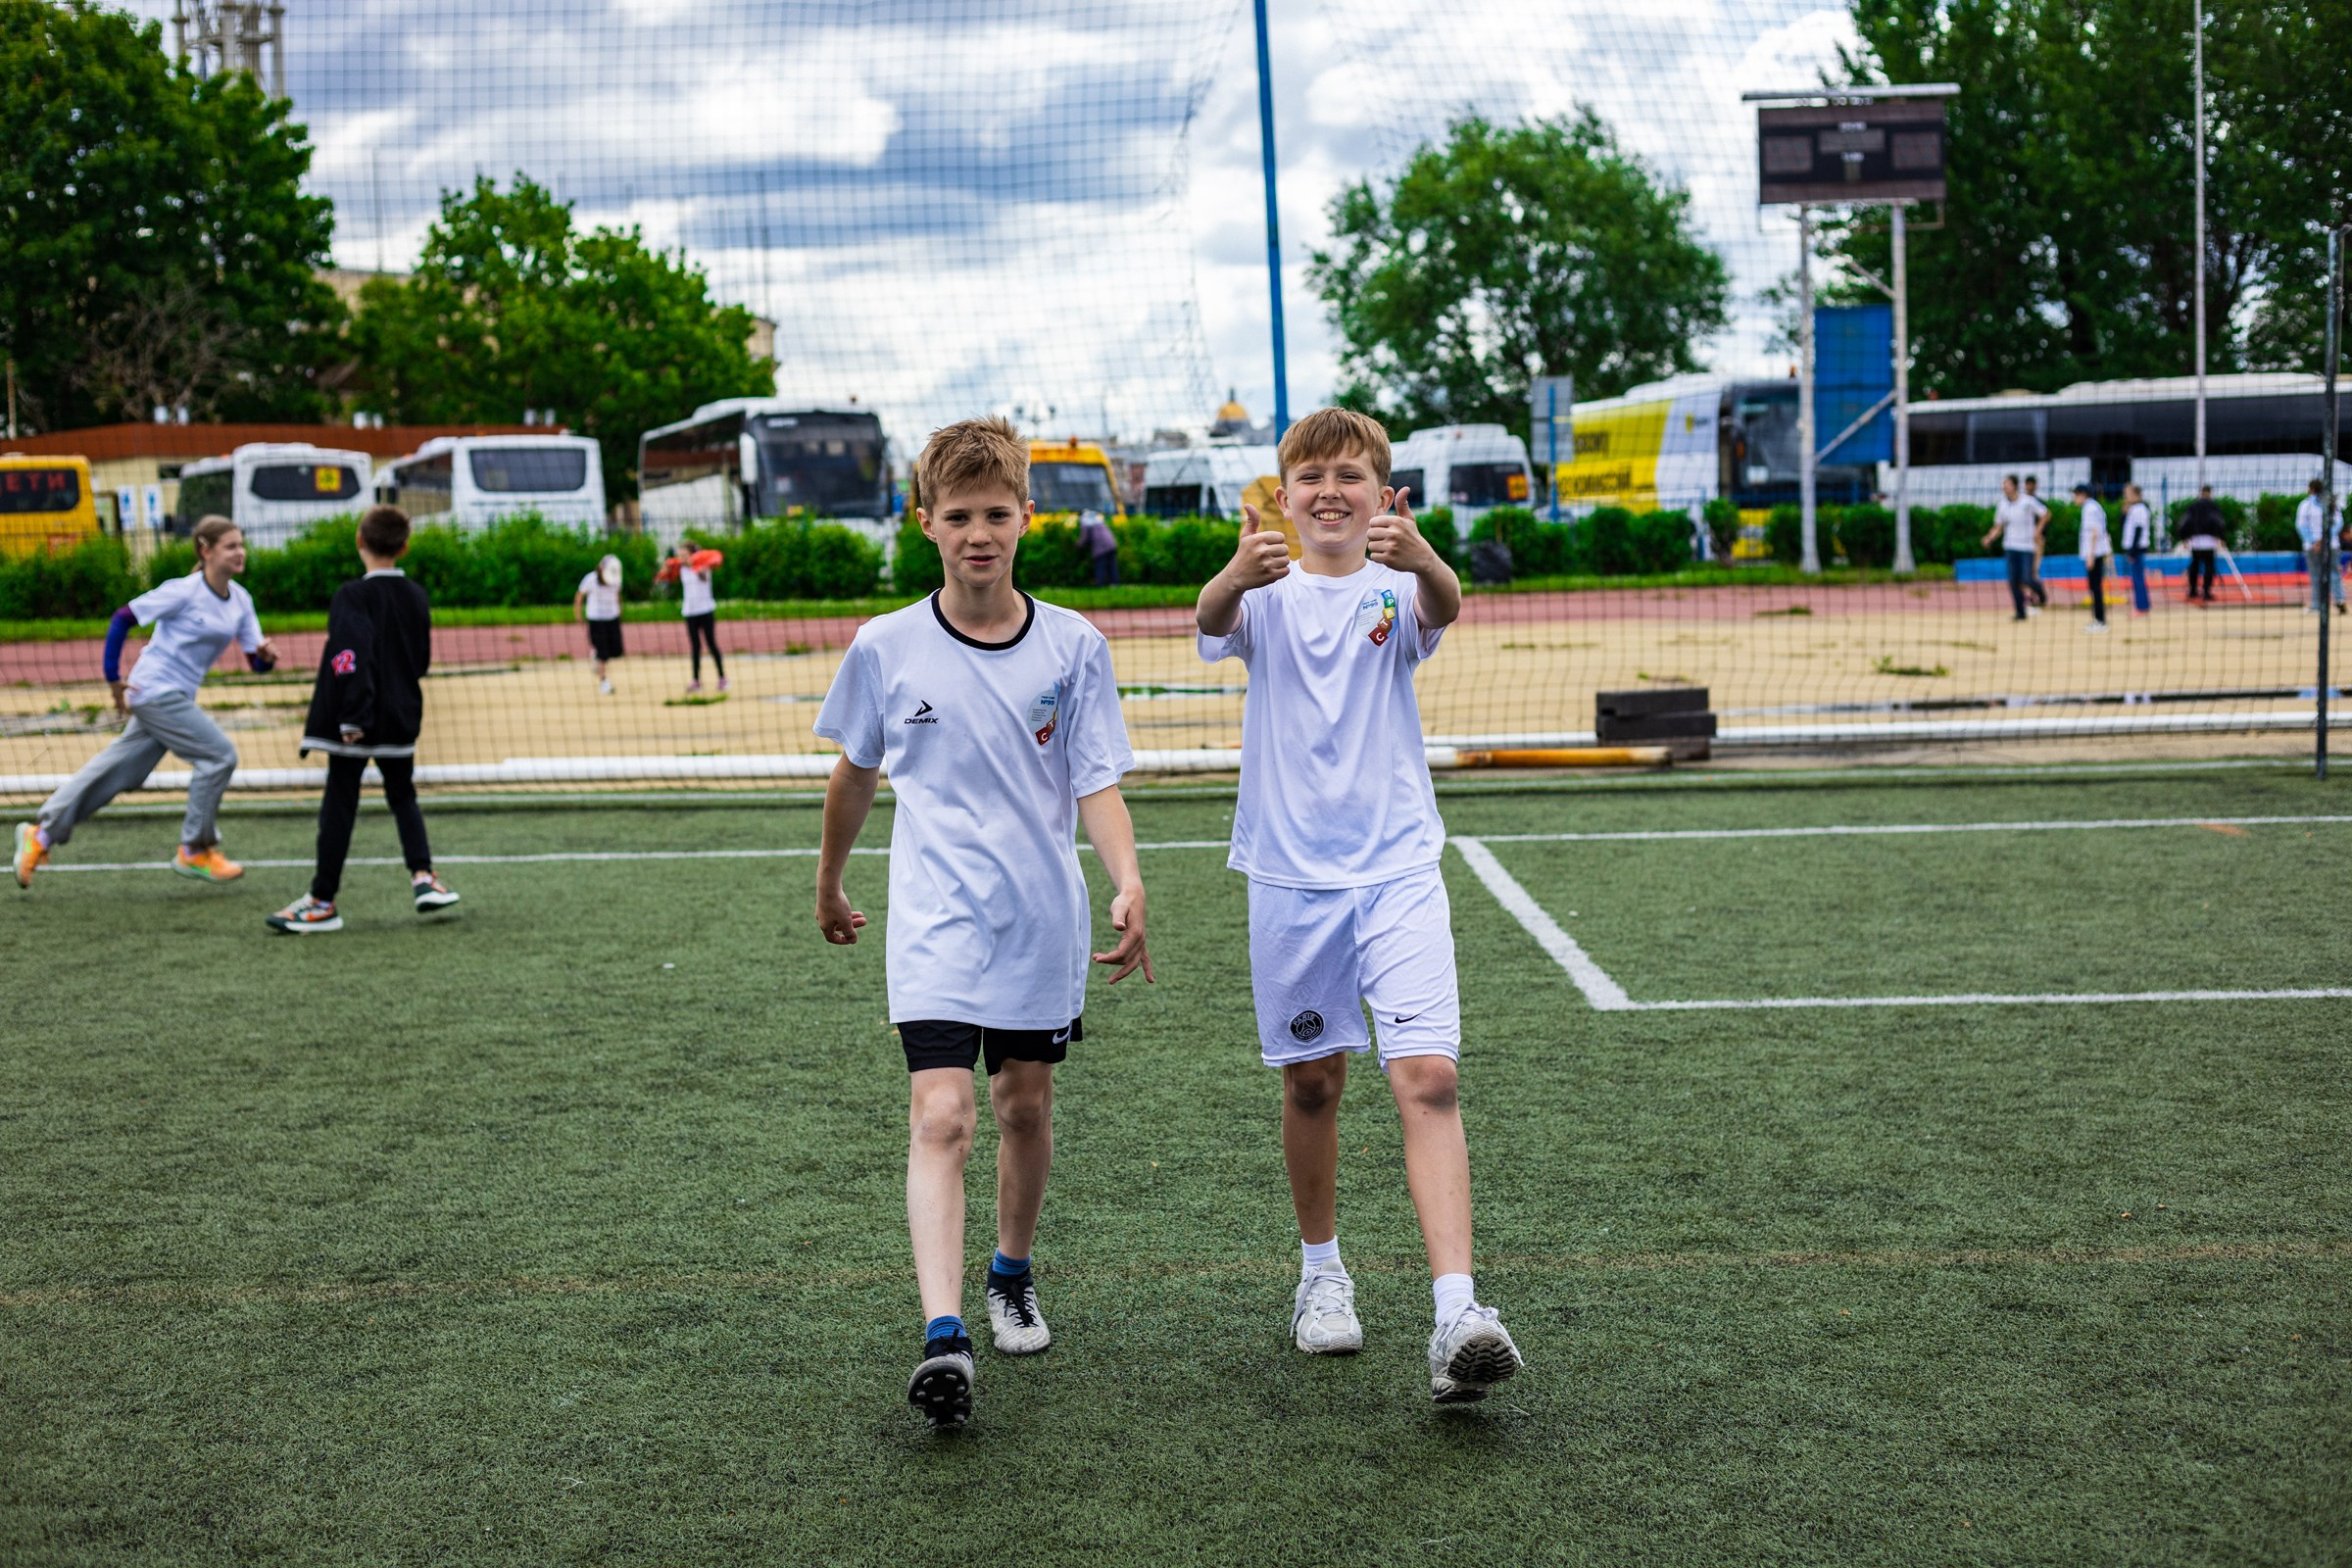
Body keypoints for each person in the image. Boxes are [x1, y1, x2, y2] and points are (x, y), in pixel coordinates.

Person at [812, 416, 1152, 1432]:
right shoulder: (884, 646)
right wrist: (828, 879)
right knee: (942, 1115)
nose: (978, 533)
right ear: (926, 523)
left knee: (1024, 1106)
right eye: (957, 515)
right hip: (934, 924)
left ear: (1026, 520)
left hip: (1041, 921)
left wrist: (1128, 878)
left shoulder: (1074, 644)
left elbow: (1096, 781)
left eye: (996, 513)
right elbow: (854, 772)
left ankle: (1011, 1271)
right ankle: (945, 1335)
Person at [1196, 406, 1523, 1405]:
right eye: (1310, 478)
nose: (1329, 491)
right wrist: (1231, 575)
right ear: (1282, 496)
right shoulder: (1264, 591)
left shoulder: (1399, 589)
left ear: (1386, 496)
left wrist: (1424, 553)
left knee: (1426, 1075)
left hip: (1397, 874)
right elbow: (1211, 624)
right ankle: (1320, 1274)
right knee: (1313, 1085)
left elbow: (1448, 603)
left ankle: (1457, 1310)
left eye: (1351, 476)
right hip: (1293, 883)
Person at [15, 514, 277, 889]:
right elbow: (122, 617)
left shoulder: (240, 600)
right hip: (154, 690)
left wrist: (266, 656)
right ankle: (196, 848)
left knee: (122, 770)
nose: (241, 553)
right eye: (231, 546)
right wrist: (112, 679)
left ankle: (39, 836)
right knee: (219, 756)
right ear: (205, 551)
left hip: (174, 697)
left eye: (241, 544)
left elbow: (256, 663)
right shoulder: (184, 591)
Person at [264, 507, 460, 934]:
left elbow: (352, 655)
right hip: (401, 718)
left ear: (359, 542)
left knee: (340, 805)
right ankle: (424, 878)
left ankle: (321, 901)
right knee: (403, 797)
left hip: (356, 722)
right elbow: (421, 662)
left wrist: (352, 716)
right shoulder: (417, 595)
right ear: (404, 545)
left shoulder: (351, 596)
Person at [658, 546, 730, 692]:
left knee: (711, 644)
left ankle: (722, 678)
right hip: (690, 612)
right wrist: (666, 568)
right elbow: (668, 576)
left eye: (684, 554)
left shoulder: (703, 566)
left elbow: (703, 578)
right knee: (695, 647)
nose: (682, 557)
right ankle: (696, 681)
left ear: (692, 555)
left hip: (706, 610)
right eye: (680, 555)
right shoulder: (682, 569)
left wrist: (696, 567)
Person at [1981, 475, 2043, 621]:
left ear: (2014, 486)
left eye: (2007, 484)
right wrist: (1989, 538)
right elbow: (1998, 526)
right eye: (2003, 485)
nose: (2004, 487)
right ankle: (2020, 612)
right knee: (2014, 581)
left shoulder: (2027, 501)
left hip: (2027, 546)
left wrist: (2037, 531)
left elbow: (2046, 514)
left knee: (2027, 578)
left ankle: (2041, 592)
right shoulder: (2002, 504)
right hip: (2010, 547)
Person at [572, 554, 625, 692]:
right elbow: (579, 596)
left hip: (612, 617)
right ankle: (604, 682)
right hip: (596, 618)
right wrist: (578, 615)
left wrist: (620, 611)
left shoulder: (616, 578)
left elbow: (618, 594)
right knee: (602, 651)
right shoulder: (590, 579)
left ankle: (596, 656)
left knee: (616, 651)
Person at [2296, 478, 2344, 615]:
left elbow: (2301, 526)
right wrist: (2325, 540)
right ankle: (2339, 599)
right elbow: (2338, 524)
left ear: (2310, 489)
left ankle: (2317, 604)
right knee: (2334, 573)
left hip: (2312, 547)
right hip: (2332, 545)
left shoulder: (2305, 505)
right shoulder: (2332, 504)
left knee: (2315, 575)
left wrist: (2314, 541)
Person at [2073, 483, 2111, 633]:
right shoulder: (2094, 507)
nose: (2074, 499)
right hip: (2096, 553)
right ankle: (2098, 619)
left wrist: (2090, 556)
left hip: (2094, 554)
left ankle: (2100, 621)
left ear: (2082, 494)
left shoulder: (2089, 508)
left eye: (2075, 495)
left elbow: (2095, 532)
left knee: (2095, 588)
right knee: (2095, 588)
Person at [2180, 486, 2226, 603]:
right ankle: (2206, 592)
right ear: (2210, 493)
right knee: (2209, 566)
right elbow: (2219, 522)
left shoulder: (2193, 506)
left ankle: (2193, 590)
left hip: (2195, 540)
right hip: (2209, 540)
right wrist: (2221, 537)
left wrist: (2185, 537)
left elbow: (2185, 521)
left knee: (2194, 565)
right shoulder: (2213, 506)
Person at [2120, 482, 2154, 614]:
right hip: (2133, 548)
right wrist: (2123, 513)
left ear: (2135, 494)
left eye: (2127, 493)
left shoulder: (2140, 509)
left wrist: (2133, 551)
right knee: (2136, 578)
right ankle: (2141, 605)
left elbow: (2138, 530)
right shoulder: (2133, 508)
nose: (2125, 496)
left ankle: (2142, 607)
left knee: (2138, 578)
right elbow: (2124, 526)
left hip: (2137, 549)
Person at [2022, 475, 2052, 607]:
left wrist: (2038, 532)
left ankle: (2036, 595)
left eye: (2032, 484)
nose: (2030, 487)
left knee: (2033, 570)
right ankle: (2029, 596)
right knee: (2023, 571)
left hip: (2036, 541)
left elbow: (2047, 515)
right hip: (2022, 542)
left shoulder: (2038, 502)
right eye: (2028, 484)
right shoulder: (2020, 502)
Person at [1078, 507, 1119, 587]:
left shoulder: (1085, 521)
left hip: (1101, 547)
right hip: (1111, 544)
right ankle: (1115, 584)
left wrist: (1078, 545)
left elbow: (1085, 537)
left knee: (1100, 565)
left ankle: (1100, 584)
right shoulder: (1097, 519)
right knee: (1112, 565)